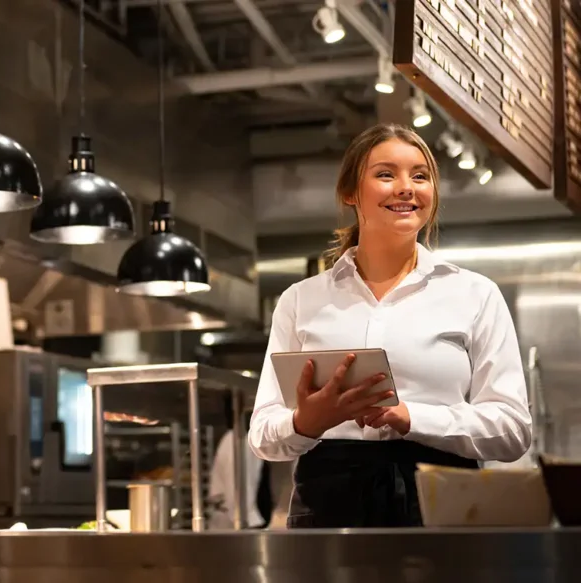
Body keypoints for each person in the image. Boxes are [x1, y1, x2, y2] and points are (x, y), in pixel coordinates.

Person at [248, 123, 532, 528]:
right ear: (350, 193)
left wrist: (412, 417)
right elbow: (261, 434)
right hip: (327, 509)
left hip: (442, 504)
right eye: (386, 174)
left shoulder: (475, 294)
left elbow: (512, 429)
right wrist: (305, 422)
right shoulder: (300, 300)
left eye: (420, 176)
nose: (406, 187)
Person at [208, 396, 272, 529]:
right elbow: (235, 488)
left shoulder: (250, 441)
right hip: (234, 524)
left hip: (241, 520)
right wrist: (246, 520)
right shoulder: (237, 442)